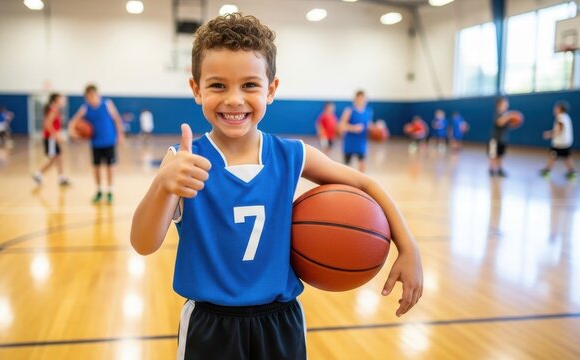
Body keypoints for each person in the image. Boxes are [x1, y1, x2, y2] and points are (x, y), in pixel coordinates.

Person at [129, 14, 423, 360]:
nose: (235, 99)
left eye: (250, 85)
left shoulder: (292, 155)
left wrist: (409, 247)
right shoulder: (183, 161)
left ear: (271, 89)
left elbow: (366, 184)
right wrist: (163, 185)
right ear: (196, 89)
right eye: (218, 85)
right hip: (210, 325)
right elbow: (143, 243)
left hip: (280, 320)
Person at [69, 85, 125, 204]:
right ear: (86, 98)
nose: (91, 98)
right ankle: (99, 191)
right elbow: (73, 121)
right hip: (95, 143)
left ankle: (110, 191)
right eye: (88, 97)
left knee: (110, 167)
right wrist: (73, 132)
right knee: (96, 168)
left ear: (97, 94)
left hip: (109, 141)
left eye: (92, 95)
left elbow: (117, 119)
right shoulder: (85, 108)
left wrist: (120, 134)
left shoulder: (107, 104)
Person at [32, 93, 70, 187]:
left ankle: (61, 178)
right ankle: (38, 174)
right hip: (51, 139)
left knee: (59, 157)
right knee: (53, 159)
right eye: (62, 98)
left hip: (52, 138)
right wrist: (56, 136)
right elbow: (47, 124)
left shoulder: (54, 109)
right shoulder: (53, 109)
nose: (63, 100)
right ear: (56, 99)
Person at [540, 100, 576, 180]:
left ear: (559, 109)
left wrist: (550, 135)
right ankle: (572, 172)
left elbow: (559, 129)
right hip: (567, 142)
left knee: (552, 156)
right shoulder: (566, 117)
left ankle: (547, 171)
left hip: (559, 143)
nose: (554, 109)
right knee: (567, 157)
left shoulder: (560, 117)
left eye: (556, 108)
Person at [339, 90, 373, 172]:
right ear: (355, 99)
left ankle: (361, 183)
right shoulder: (349, 110)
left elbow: (369, 125)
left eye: (363, 99)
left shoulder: (369, 112)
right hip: (350, 142)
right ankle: (346, 183)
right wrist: (354, 128)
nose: (361, 100)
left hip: (361, 142)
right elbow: (341, 125)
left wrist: (377, 128)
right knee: (346, 167)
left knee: (362, 164)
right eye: (359, 98)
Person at [488, 97, 512, 177]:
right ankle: (491, 169)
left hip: (502, 139)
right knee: (493, 155)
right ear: (500, 105)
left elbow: (510, 125)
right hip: (494, 139)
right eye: (505, 103)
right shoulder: (497, 113)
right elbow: (499, 122)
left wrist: (514, 120)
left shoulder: (506, 115)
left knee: (500, 155)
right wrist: (508, 117)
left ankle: (500, 170)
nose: (507, 105)